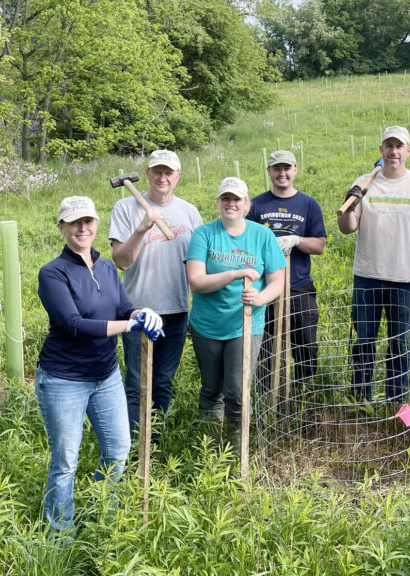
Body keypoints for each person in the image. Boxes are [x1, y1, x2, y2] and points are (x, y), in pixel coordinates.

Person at [36, 196, 163, 536]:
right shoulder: (52, 273)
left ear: (96, 224)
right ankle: (60, 535)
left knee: (119, 450)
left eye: (88, 221)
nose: (82, 228)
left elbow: (123, 308)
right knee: (65, 461)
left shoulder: (107, 267)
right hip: (63, 379)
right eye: (74, 222)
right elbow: (73, 325)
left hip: (105, 376)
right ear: (61, 227)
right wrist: (130, 326)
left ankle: (100, 511)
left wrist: (141, 313)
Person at [337, 126, 410, 403]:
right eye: (389, 146)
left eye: (399, 146)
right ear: (381, 149)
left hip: (404, 280)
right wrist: (348, 206)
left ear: (408, 151)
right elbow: (347, 228)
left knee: (399, 343)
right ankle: (360, 400)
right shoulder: (364, 183)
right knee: (364, 340)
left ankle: (396, 402)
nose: (394, 151)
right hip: (366, 277)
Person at [185, 177, 287, 453]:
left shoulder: (262, 235)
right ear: (218, 202)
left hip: (246, 324)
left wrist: (260, 298)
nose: (231, 203)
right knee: (211, 389)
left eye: (236, 199)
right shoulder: (204, 234)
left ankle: (237, 453)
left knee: (238, 391)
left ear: (246, 204)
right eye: (226, 198)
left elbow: (277, 280)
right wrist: (234, 274)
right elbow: (196, 281)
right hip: (207, 325)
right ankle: (210, 452)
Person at [109, 149, 203, 443]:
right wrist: (142, 228)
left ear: (178, 176)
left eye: (168, 172)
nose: (163, 178)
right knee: (137, 383)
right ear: (147, 174)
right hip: (137, 310)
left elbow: (200, 264)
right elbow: (121, 261)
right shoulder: (126, 208)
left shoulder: (189, 212)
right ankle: (133, 446)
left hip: (176, 310)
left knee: (162, 382)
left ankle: (154, 443)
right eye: (157, 171)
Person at [247, 150, 326, 393]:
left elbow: (319, 245)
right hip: (265, 286)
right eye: (277, 168)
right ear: (269, 171)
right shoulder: (256, 205)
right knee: (265, 345)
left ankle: (304, 393)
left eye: (287, 168)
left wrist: (297, 240)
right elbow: (247, 243)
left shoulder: (309, 204)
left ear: (295, 170)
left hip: (298, 285)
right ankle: (266, 394)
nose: (282, 173)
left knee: (305, 343)